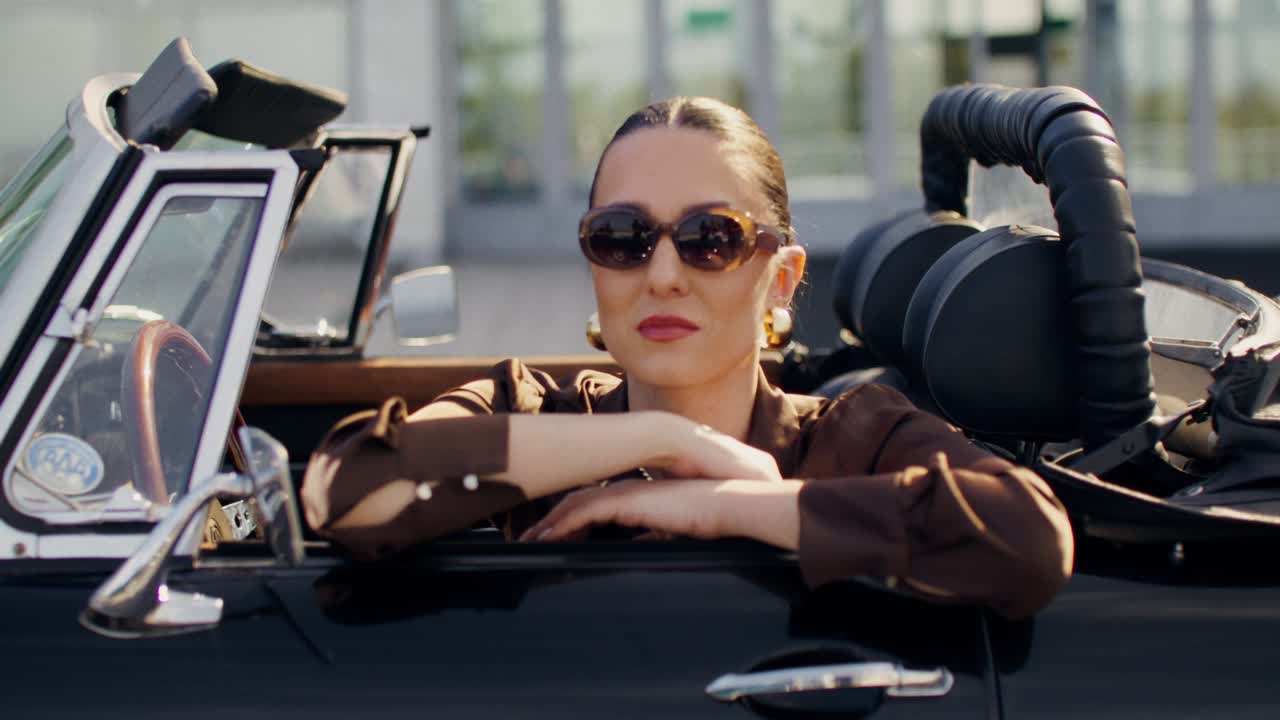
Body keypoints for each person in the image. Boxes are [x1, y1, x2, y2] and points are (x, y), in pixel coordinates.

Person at [301, 96, 1074, 618]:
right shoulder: (532, 411)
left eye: (713, 239)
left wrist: (726, 506)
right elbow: (343, 490)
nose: (662, 274)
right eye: (621, 238)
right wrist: (668, 441)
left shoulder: (853, 435)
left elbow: (1029, 542)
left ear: (782, 280)